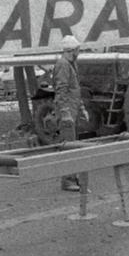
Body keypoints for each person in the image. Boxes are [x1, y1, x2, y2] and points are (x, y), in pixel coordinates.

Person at [53, 34, 89, 192]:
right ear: (72, 50)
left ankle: (72, 179)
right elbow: (61, 91)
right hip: (67, 113)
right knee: (68, 147)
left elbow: (75, 90)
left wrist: (81, 109)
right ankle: (68, 181)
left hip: (72, 111)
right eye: (77, 49)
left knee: (72, 145)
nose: (79, 52)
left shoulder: (70, 64)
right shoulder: (63, 65)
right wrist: (65, 113)